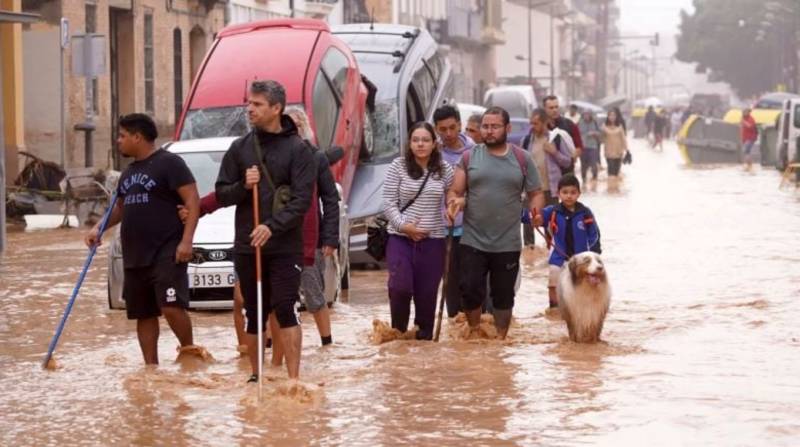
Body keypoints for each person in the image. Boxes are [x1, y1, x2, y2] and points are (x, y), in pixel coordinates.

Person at [215, 80, 315, 383]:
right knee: (253, 310)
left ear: (276, 108)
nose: (249, 109)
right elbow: (221, 193)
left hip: (284, 246)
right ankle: (256, 377)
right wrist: (243, 186)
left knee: (286, 306)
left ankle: (293, 380)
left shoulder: (299, 150)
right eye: (249, 103)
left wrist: (271, 227)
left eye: (257, 104)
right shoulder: (240, 148)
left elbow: (301, 201)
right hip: (248, 244)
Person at [85, 113, 201, 365]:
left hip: (167, 249)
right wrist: (98, 228)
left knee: (171, 305)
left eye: (122, 136)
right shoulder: (128, 173)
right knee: (143, 313)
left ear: (137, 137)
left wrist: (187, 241)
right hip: (136, 253)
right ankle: (151, 368)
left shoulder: (170, 163)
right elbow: (120, 208)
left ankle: (190, 351)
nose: (118, 141)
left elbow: (193, 200)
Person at [447, 107, 544, 339]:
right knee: (470, 290)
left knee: (503, 296)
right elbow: (455, 190)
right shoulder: (470, 157)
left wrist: (536, 211)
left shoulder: (522, 158)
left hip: (507, 242)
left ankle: (501, 340)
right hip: (473, 239)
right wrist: (453, 203)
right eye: (485, 126)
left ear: (507, 129)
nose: (489, 131)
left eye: (495, 126)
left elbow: (536, 192)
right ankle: (474, 332)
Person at [382, 122, 454, 340]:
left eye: (425, 140)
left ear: (434, 144)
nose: (420, 144)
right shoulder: (398, 166)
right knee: (400, 288)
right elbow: (388, 203)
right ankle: (398, 336)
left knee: (427, 296)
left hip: (433, 242)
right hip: (400, 239)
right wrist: (405, 226)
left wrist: (452, 207)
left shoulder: (445, 169)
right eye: (416, 140)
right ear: (410, 143)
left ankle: (423, 348)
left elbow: (453, 194)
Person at [285, 106, 339, 348]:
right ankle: (271, 347)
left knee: (314, 294)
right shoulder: (275, 156)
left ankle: (326, 343)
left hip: (311, 238)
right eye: (289, 124)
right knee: (279, 298)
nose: (293, 129)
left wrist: (330, 238)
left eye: (298, 125)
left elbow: (330, 200)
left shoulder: (316, 158)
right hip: (280, 239)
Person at [433, 105, 474, 318]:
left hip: (471, 229)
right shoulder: (432, 154)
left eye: (452, 127)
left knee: (471, 282)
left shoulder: (474, 152)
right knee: (450, 283)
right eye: (442, 129)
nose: (448, 134)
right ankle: (454, 326)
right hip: (442, 229)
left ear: (459, 124)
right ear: (436, 129)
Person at [541, 174, 601, 308]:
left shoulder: (585, 213)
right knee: (553, 281)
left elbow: (594, 234)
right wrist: (525, 216)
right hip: (558, 257)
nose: (569, 196)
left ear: (579, 194)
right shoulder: (552, 212)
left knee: (583, 285)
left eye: (573, 192)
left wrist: (592, 253)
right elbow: (535, 217)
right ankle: (553, 308)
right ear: (558, 194)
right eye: (565, 192)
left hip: (580, 258)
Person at [527, 108, 572, 207]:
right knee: (530, 221)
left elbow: (567, 162)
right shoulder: (526, 141)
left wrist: (555, 152)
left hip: (550, 191)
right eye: (531, 123)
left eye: (536, 123)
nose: (532, 126)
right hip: (531, 192)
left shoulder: (556, 139)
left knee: (551, 221)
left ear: (544, 123)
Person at [543, 95, 583, 159]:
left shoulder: (570, 125)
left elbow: (579, 147)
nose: (555, 110)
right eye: (551, 108)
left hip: (565, 167)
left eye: (556, 107)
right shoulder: (540, 127)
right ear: (544, 109)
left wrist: (570, 159)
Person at [602, 108, 628, 193]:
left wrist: (627, 150)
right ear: (608, 117)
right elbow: (601, 140)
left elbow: (623, 139)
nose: (612, 117)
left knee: (616, 173)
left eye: (614, 115)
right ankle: (610, 190)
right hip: (609, 153)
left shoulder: (620, 127)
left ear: (616, 117)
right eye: (610, 115)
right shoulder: (604, 127)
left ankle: (615, 190)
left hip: (619, 152)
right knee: (611, 172)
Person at [577, 110, 602, 186]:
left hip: (593, 146)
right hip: (583, 147)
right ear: (583, 115)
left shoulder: (594, 122)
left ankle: (594, 180)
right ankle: (584, 181)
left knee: (593, 164)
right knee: (583, 165)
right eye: (585, 114)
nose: (586, 116)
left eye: (588, 114)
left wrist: (594, 133)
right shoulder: (579, 123)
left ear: (591, 115)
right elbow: (575, 134)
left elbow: (600, 133)